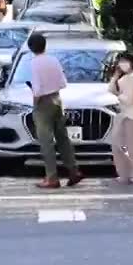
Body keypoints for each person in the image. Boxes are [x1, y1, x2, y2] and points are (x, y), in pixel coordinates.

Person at [25, 32, 84, 189]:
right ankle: (74, 171)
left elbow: (36, 89)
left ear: (31, 47)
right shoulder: (53, 60)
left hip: (43, 103)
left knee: (46, 141)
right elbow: (63, 83)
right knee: (63, 138)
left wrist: (34, 103)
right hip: (57, 99)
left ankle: (52, 177)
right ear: (45, 45)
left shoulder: (34, 63)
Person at [107, 53, 133, 184]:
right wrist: (115, 76)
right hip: (125, 114)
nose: (122, 64)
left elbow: (129, 99)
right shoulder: (124, 77)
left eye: (125, 61)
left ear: (132, 63)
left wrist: (119, 95)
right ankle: (126, 174)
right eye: (120, 61)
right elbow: (111, 89)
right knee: (116, 143)